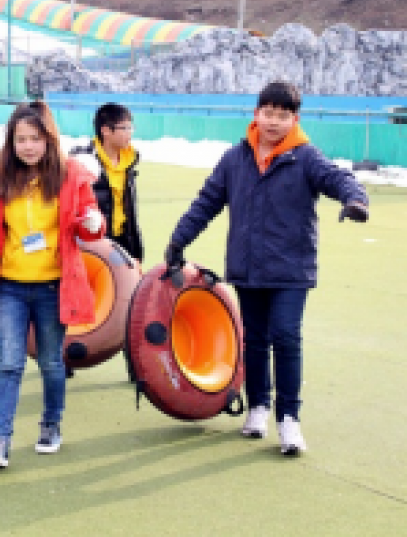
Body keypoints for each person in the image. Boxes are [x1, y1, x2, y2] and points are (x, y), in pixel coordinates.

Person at [163, 81, 369, 455]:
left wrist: (355, 200)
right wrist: (179, 240)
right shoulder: (234, 159)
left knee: (286, 336)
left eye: (283, 115)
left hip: (291, 269)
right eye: (268, 113)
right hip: (248, 268)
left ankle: (289, 419)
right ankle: (258, 407)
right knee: (255, 339)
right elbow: (206, 202)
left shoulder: (306, 157)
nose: (274, 121)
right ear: (256, 113)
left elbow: (338, 179)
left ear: (295, 119)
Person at [0, 101, 106, 469]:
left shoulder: (71, 177)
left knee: (50, 362)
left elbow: (88, 223)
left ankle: (51, 425)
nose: (28, 146)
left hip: (52, 287)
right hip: (10, 288)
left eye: (35, 138)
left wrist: (93, 222)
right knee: (10, 364)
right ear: (11, 142)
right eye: (20, 139)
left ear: (49, 139)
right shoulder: (0, 180)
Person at [70, 102, 143, 383]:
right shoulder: (81, 160)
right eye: (124, 128)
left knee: (132, 303)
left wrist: (136, 250)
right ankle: (62, 356)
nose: (130, 133)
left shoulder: (129, 159)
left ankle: (135, 366)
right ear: (106, 131)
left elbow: (131, 209)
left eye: (130, 127)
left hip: (123, 241)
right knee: (73, 301)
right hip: (88, 242)